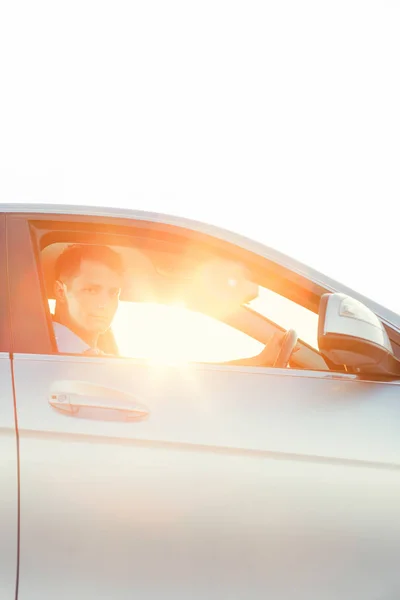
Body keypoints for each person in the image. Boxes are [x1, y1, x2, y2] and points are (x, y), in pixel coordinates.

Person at [52, 244, 124, 355]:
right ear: (61, 292)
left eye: (113, 293)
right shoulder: (38, 352)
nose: (104, 304)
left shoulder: (106, 356)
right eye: (91, 290)